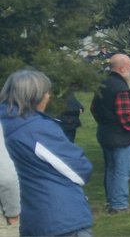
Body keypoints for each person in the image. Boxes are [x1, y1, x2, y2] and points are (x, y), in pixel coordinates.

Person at [2, 69, 93, 236]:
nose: (49, 97)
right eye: (47, 93)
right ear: (36, 96)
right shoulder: (36, 128)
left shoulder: (5, 123)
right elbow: (79, 170)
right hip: (57, 217)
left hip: (23, 216)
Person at [90, 53, 130, 214]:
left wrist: (104, 122)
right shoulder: (121, 88)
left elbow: (93, 108)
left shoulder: (103, 83)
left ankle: (111, 202)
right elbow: (125, 116)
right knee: (122, 171)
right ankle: (119, 204)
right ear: (122, 68)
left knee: (111, 169)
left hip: (105, 132)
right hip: (121, 137)